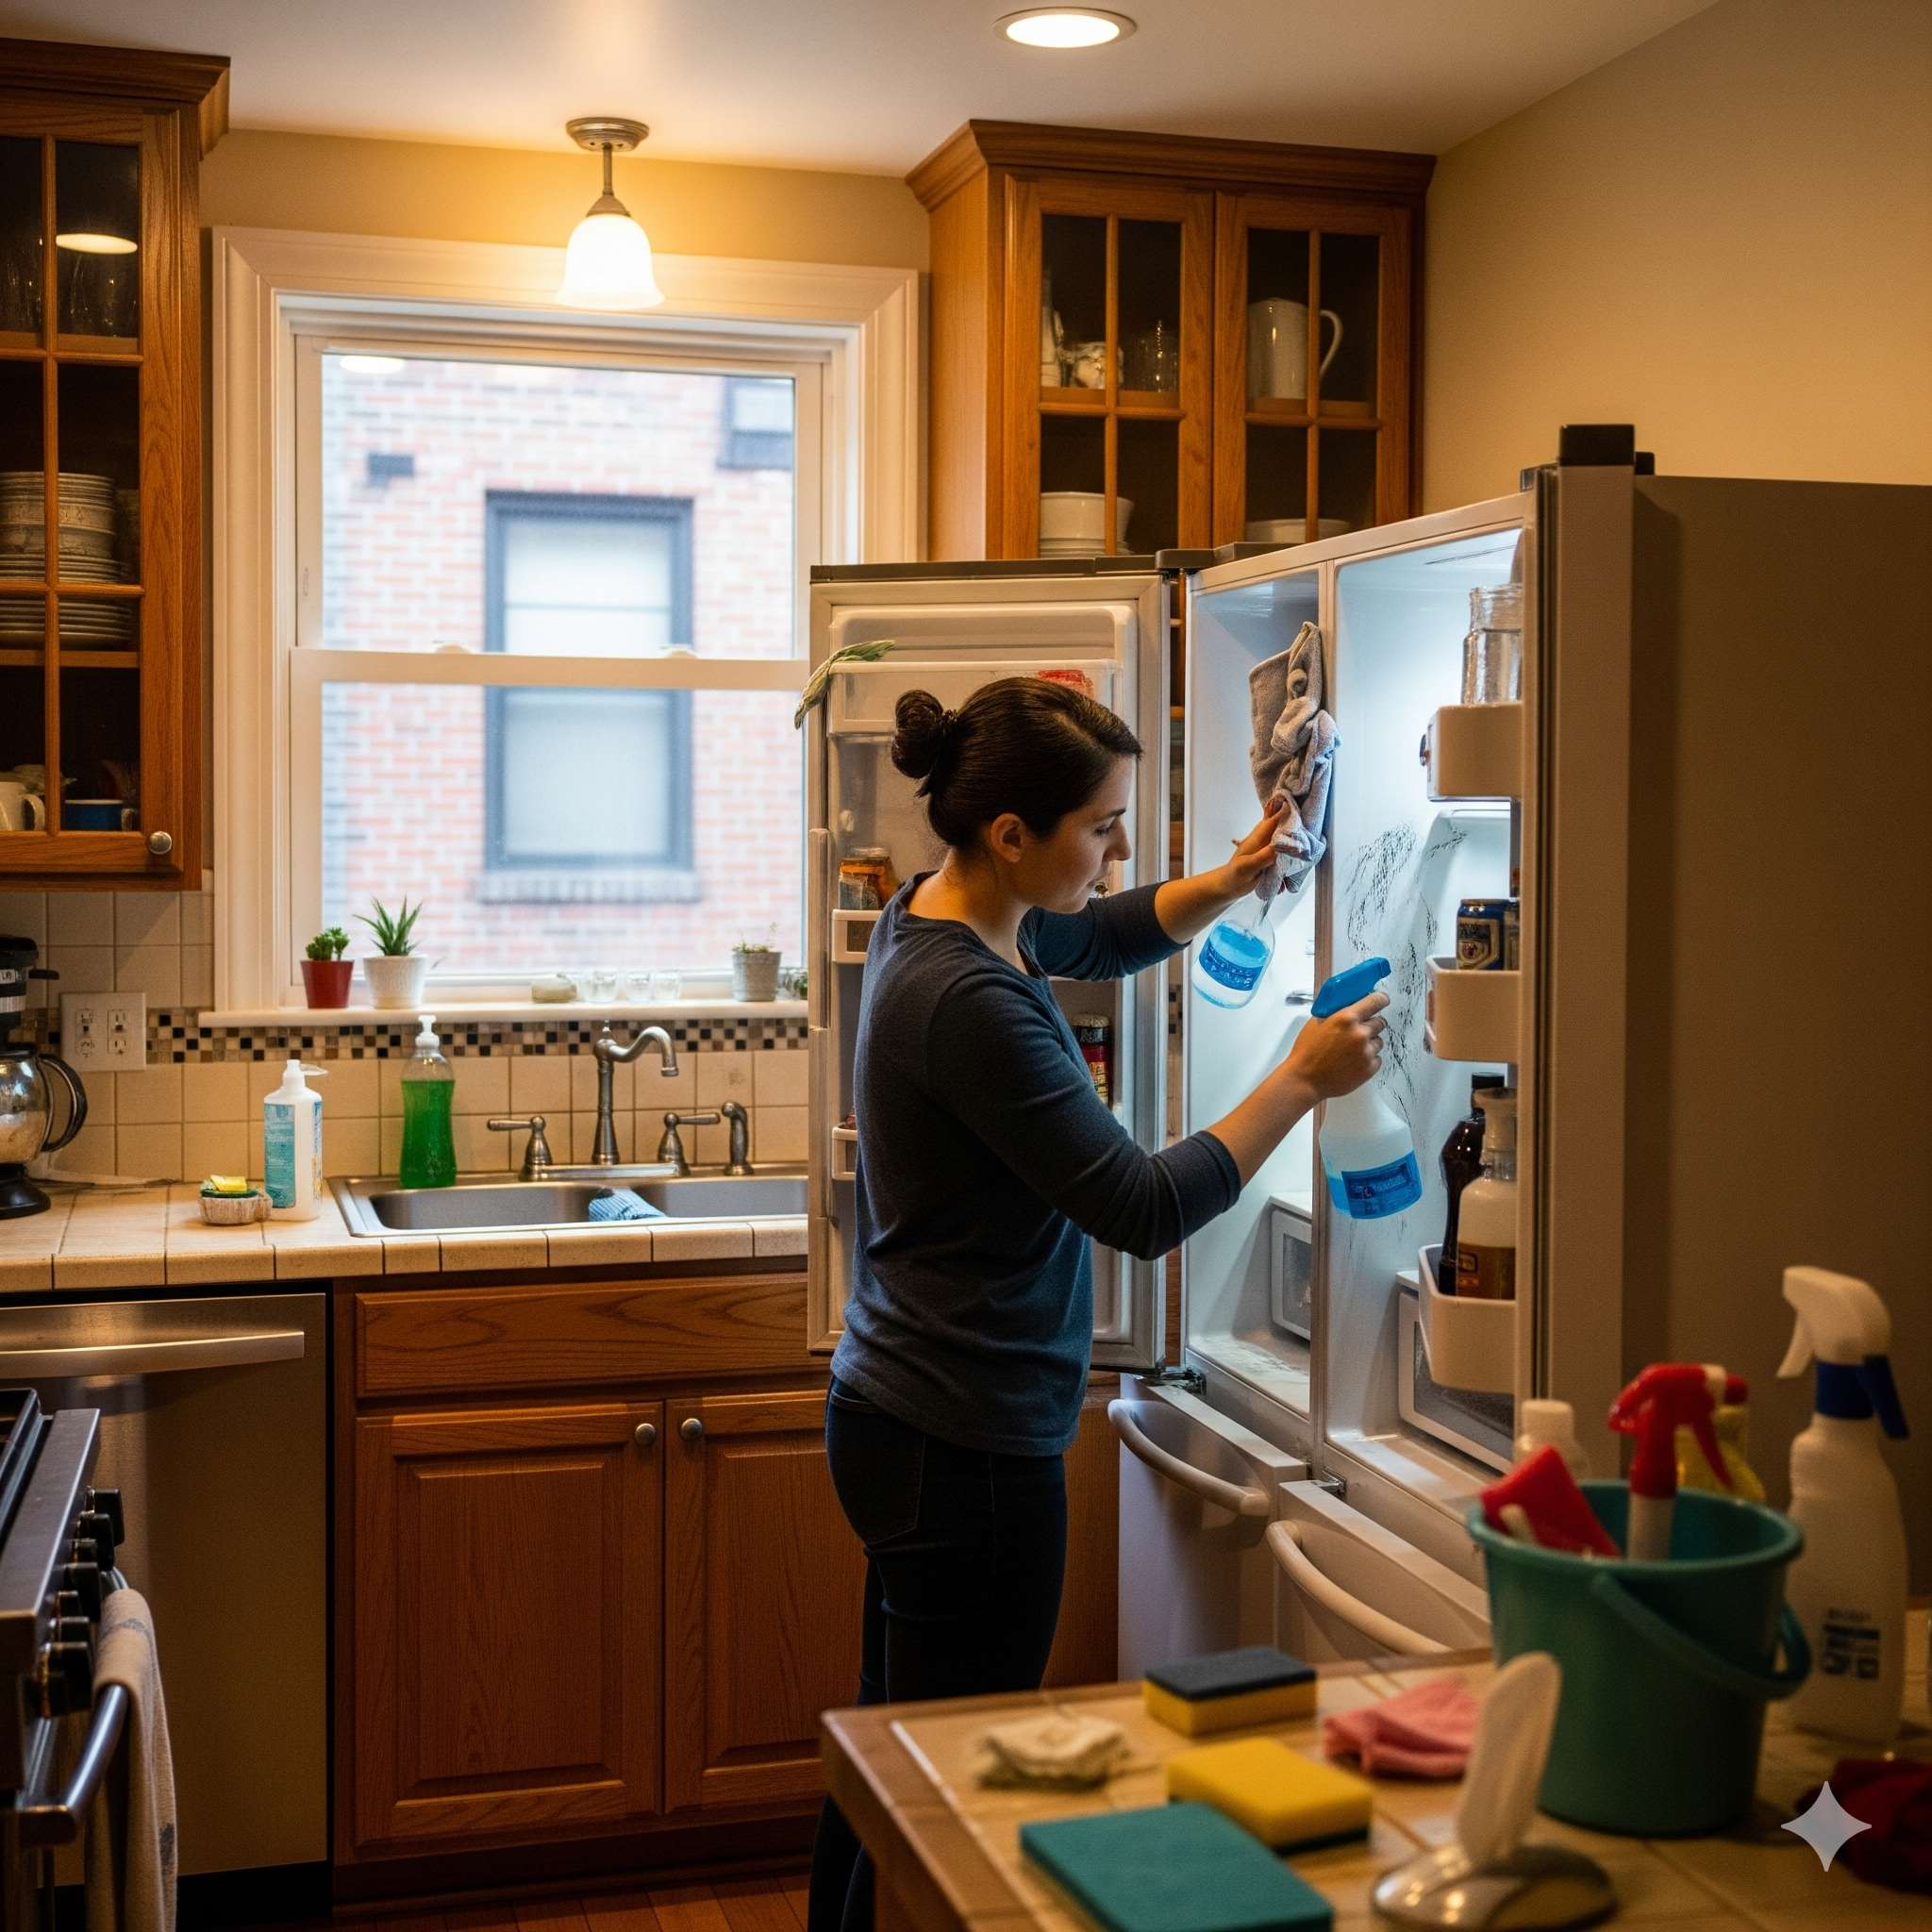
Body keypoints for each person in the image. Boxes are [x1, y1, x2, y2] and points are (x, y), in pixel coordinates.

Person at [808, 675, 1386, 1932]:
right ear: (1013, 834)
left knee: (889, 1763)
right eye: (1104, 824)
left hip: (903, 1415)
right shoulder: (970, 1004)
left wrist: (1232, 882)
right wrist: (1302, 1076)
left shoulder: (946, 915)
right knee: (950, 1794)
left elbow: (1102, 931)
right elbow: (1136, 1202)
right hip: (962, 1445)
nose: (1120, 848)